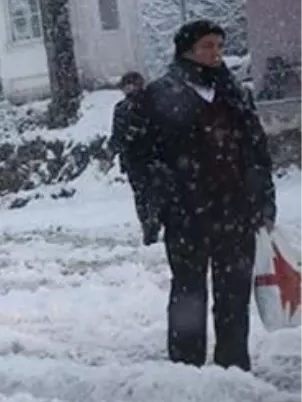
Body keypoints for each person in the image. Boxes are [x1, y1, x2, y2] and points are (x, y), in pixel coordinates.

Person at [128, 19, 276, 371]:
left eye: (219, 46)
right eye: (208, 46)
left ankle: (233, 362)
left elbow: (256, 150)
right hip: (187, 210)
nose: (216, 53)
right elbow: (139, 156)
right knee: (189, 292)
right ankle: (186, 364)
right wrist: (156, 202)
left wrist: (264, 198)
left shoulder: (234, 92)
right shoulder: (161, 95)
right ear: (187, 50)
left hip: (236, 208)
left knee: (234, 292)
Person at [108, 70, 155, 242]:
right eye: (126, 85)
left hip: (150, 156)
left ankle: (153, 223)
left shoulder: (150, 104)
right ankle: (148, 225)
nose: (129, 89)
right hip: (134, 159)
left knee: (152, 193)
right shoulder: (121, 108)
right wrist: (113, 149)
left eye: (132, 84)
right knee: (142, 194)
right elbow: (117, 134)